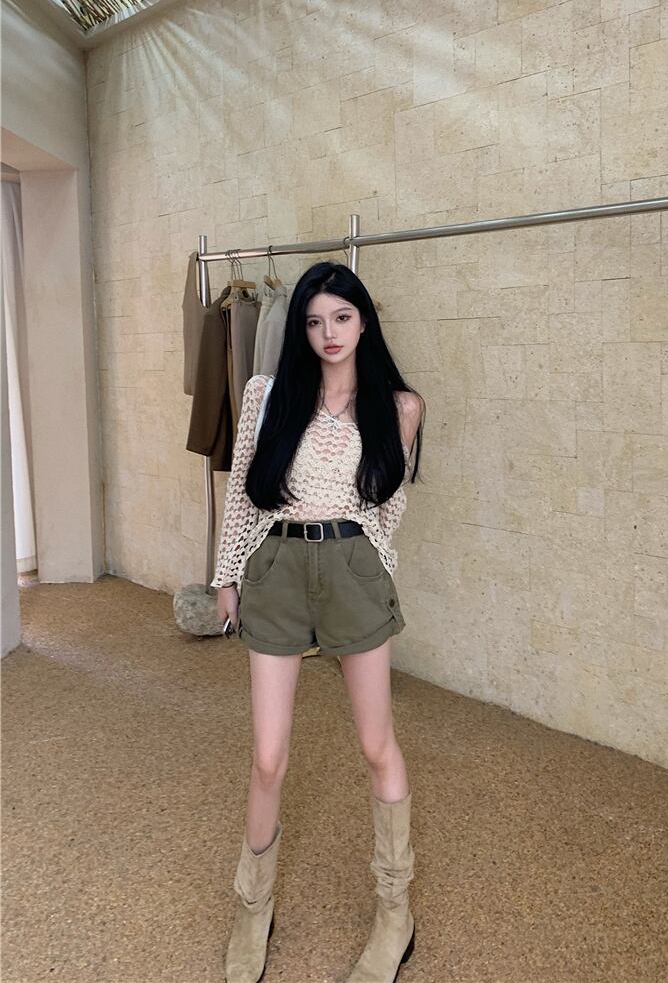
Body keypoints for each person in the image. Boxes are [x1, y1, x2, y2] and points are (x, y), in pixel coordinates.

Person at [211, 260, 425, 983]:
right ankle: (252, 905)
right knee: (268, 756)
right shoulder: (267, 394)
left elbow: (387, 510)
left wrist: (368, 575)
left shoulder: (399, 407)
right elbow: (243, 494)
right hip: (275, 567)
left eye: (341, 317)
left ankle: (395, 912)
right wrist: (227, 576)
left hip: (353, 568)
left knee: (376, 744)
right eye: (313, 320)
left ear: (364, 321)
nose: (328, 333)